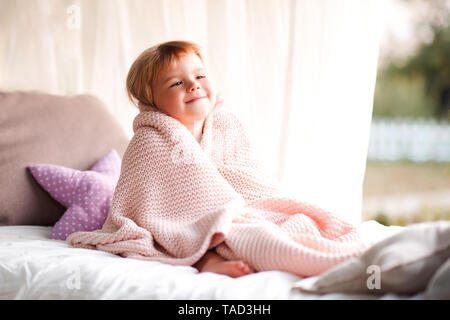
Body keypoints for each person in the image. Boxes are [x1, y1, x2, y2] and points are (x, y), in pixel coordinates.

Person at [126, 40, 255, 277]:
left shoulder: (226, 126)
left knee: (280, 222)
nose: (193, 86)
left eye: (200, 76)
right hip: (178, 221)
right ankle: (207, 261)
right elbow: (145, 210)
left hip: (233, 209)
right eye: (177, 83)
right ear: (151, 103)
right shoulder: (148, 141)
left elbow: (251, 180)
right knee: (199, 232)